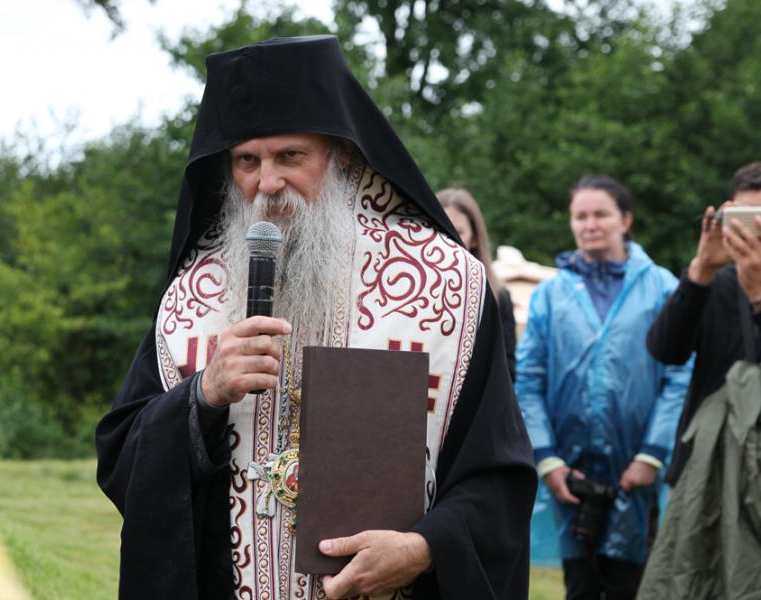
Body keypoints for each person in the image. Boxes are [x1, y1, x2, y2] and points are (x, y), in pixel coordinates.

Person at [95, 35, 536, 600]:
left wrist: (424, 547)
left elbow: (500, 480)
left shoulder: (446, 288)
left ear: (343, 157)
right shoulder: (193, 300)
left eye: (290, 157)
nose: (268, 183)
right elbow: (122, 459)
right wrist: (201, 395)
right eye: (247, 161)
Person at [514, 175, 690, 599]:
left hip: (637, 470)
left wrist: (653, 453)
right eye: (580, 216)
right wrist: (548, 460)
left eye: (600, 215)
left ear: (625, 220)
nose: (590, 224)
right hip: (570, 474)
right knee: (580, 585)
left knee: (635, 583)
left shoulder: (662, 287)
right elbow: (529, 380)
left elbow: (679, 374)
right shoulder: (550, 294)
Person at [639, 162, 761, 598]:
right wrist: (701, 272)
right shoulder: (716, 281)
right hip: (704, 472)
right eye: (746, 215)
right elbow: (664, 350)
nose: (759, 227)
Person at [437, 188, 518, 380]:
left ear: (474, 238)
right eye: (440, 228)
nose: (448, 240)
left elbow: (508, 369)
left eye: (457, 232)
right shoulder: (407, 294)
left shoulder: (497, 296)